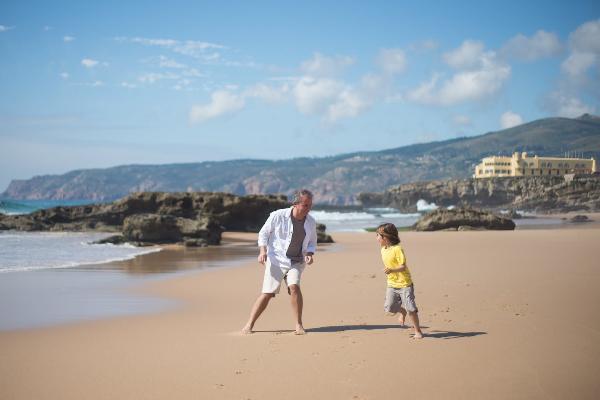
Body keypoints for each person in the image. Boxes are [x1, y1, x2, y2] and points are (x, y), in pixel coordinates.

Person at [241, 189, 317, 335]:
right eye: (305, 205)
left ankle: (298, 325)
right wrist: (262, 251)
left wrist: (310, 254)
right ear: (296, 204)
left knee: (294, 287)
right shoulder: (278, 216)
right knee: (268, 293)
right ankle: (249, 324)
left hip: (296, 261)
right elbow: (263, 233)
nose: (308, 208)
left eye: (310, 205)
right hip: (276, 260)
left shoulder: (311, 221)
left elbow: (312, 242)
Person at [376, 222, 424, 339]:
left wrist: (391, 270)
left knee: (411, 309)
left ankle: (418, 331)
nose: (376, 238)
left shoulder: (398, 249)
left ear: (386, 237)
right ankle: (402, 312)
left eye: (378, 235)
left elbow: (403, 266)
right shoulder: (383, 249)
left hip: (405, 284)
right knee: (389, 308)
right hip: (392, 284)